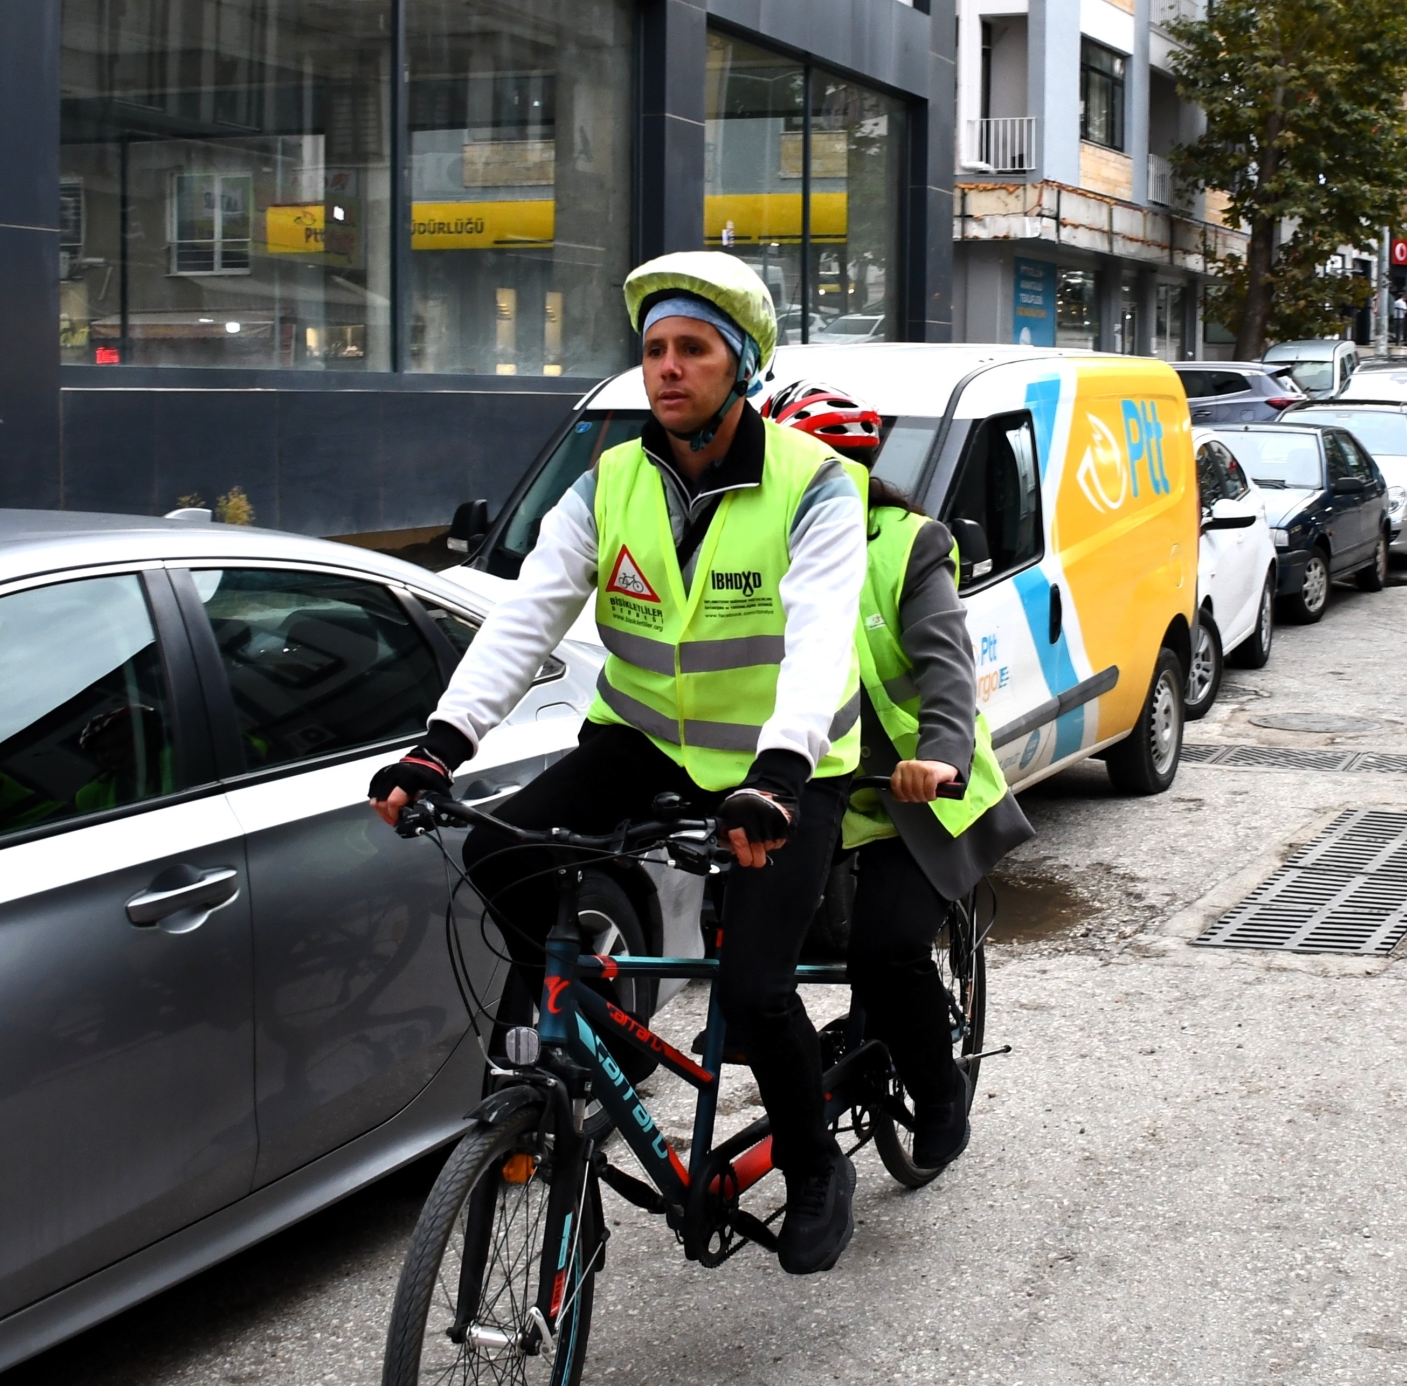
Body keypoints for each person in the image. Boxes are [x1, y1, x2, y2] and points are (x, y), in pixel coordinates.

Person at [368, 252, 869, 1275]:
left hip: (783, 764)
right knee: (501, 856)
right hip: (641, 738)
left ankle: (817, 1165)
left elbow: (820, 638)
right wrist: (440, 745)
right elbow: (525, 618)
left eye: (692, 349)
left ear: (743, 367)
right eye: (654, 351)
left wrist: (777, 773)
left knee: (757, 980)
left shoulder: (812, 486)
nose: (668, 369)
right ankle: (598, 1022)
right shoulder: (610, 483)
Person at [761, 380, 1033, 1173]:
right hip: (813, 795)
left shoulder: (909, 544)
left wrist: (943, 753)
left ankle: (939, 1089)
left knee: (884, 947)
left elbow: (947, 668)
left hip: (911, 797)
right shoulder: (759, 551)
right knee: (742, 950)